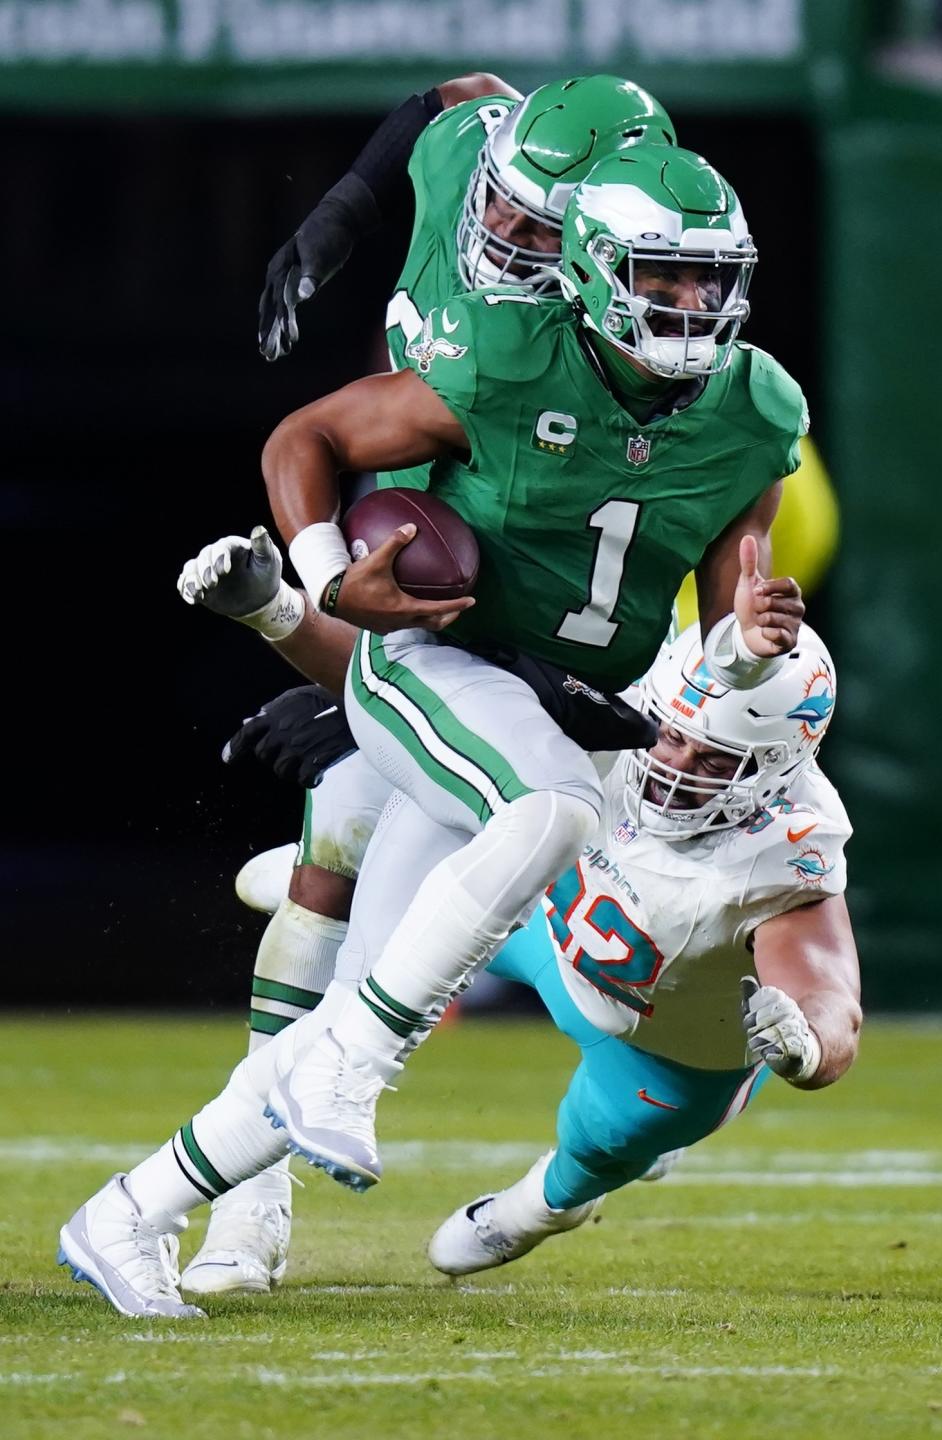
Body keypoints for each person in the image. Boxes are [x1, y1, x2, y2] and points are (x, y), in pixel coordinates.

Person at [179, 73, 680, 1296]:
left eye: (539, 228)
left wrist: (310, 635)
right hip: (462, 645)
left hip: (590, 676)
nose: (500, 236)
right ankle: (245, 1197)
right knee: (340, 823)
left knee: (647, 1036)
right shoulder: (486, 171)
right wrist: (345, 212)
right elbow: (454, 99)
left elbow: (541, 611)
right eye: (501, 205)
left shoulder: (597, 373)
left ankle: (258, 1176)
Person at [254, 143, 807, 1195]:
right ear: (598, 270)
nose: (692, 301)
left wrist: (745, 631)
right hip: (468, 663)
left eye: (709, 276)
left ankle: (164, 1203)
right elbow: (308, 436)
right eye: (663, 275)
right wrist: (325, 586)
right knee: (548, 817)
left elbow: (741, 576)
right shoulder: (509, 354)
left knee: (584, 944)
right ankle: (324, 1097)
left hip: (601, 700)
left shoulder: (758, 406)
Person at [57, 621, 859, 1317]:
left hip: (660, 1042)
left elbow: (829, 997)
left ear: (780, 767)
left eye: (713, 760)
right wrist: (343, 691)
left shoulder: (788, 852)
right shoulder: (618, 711)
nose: (674, 764)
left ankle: (542, 1208)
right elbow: (452, 687)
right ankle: (202, 1199)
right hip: (548, 920)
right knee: (382, 892)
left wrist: (805, 1043)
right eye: (672, 732)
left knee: (596, 1153)